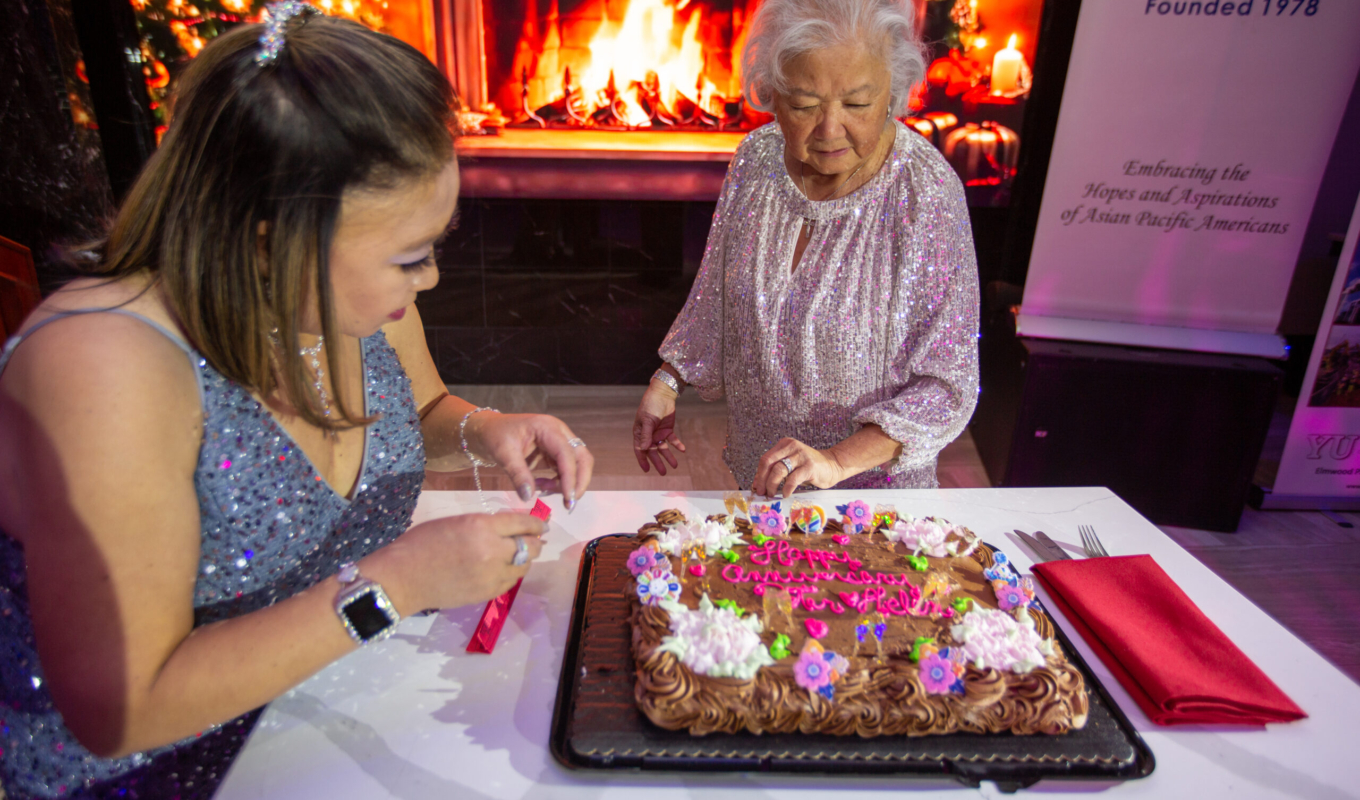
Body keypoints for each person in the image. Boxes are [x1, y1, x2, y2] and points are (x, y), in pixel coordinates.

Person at [0, 7, 592, 798]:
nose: (431, 281)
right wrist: (396, 587)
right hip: (156, 773)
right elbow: (120, 710)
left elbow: (419, 416)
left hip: (319, 708)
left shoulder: (351, 299)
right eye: (410, 258)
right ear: (268, 237)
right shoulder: (102, 367)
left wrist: (488, 431)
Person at [632, 0, 979, 498]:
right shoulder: (757, 160)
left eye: (857, 104)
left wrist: (835, 462)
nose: (830, 129)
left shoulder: (924, 194)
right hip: (764, 481)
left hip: (872, 500)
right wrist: (666, 384)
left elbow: (947, 386)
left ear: (893, 96)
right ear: (771, 95)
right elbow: (716, 294)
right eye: (803, 105)